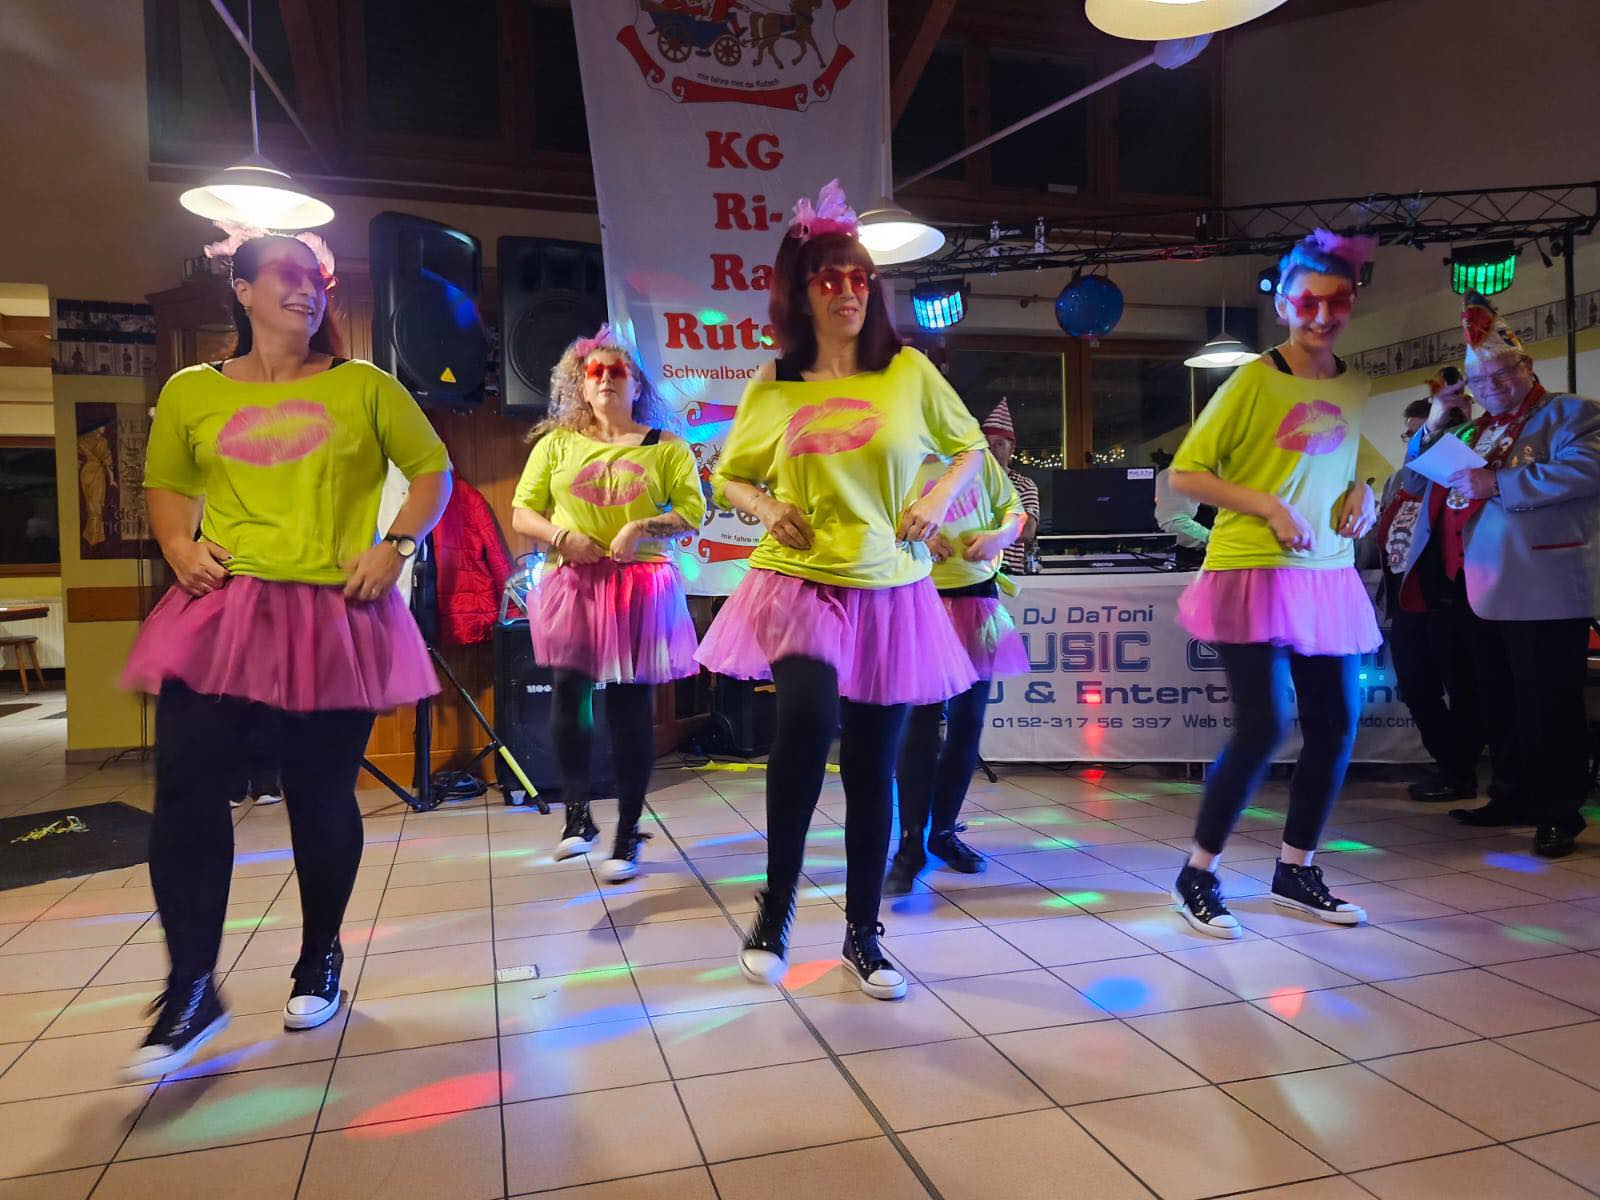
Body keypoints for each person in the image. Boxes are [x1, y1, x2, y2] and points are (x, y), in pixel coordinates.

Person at [120, 230, 452, 1078]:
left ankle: (319, 956)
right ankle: (191, 985)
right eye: (288, 276)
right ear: (242, 290)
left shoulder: (363, 385)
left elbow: (432, 470)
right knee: (186, 789)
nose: (307, 290)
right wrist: (177, 545)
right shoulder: (193, 390)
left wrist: (396, 545)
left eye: (316, 280)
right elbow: (165, 485)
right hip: (222, 611)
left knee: (319, 792)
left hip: (334, 614)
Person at [696, 180, 987, 1000]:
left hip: (890, 589)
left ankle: (864, 932)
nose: (850, 290)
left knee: (871, 761)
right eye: (831, 277)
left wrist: (938, 499)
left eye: (861, 276)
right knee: (805, 720)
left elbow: (969, 449)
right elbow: (728, 473)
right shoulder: (778, 381)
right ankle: (776, 906)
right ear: (802, 289)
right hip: (799, 582)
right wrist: (766, 507)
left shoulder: (908, 372)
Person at [1166, 229, 1381, 938]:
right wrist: (1268, 506)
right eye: (1307, 303)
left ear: (1352, 302)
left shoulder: (1356, 383)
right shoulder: (1252, 380)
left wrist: (1366, 494)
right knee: (1264, 726)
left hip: (1328, 576)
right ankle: (1198, 873)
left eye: (1336, 302)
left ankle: (1296, 869)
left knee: (1336, 726)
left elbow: (1357, 466)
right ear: (1285, 304)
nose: (1321, 316)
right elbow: (1187, 473)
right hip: (1252, 571)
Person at [1387, 291, 1600, 857]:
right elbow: (1415, 480)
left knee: (1548, 703)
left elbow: (1588, 471)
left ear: (1526, 366)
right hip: (1475, 586)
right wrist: (1438, 418)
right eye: (1481, 381)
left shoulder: (1573, 414)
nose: (1492, 386)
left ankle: (1559, 812)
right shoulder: (1473, 430)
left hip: (1543, 584)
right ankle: (1511, 795)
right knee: (1496, 700)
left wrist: (1498, 483)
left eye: (1503, 373)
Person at [511, 327, 704, 881]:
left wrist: (639, 527)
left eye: (617, 371)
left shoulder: (666, 447)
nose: (605, 380)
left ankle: (627, 831)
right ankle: (578, 816)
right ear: (580, 384)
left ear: (637, 384)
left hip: (641, 586)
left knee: (628, 707)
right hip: (574, 581)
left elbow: (692, 514)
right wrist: (561, 537)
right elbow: (522, 512)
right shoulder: (557, 445)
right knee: (569, 694)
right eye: (593, 372)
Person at [886, 450, 1029, 894]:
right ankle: (910, 842)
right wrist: (913, 535)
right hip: (920, 599)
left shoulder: (978, 460)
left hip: (977, 599)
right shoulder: (900, 452)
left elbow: (1015, 513)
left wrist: (1000, 536)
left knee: (968, 723)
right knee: (921, 724)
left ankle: (943, 832)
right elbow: (873, 518)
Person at [1371, 377, 1483, 804]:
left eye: (1430, 432)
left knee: (1464, 689)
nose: (1421, 443)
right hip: (1407, 597)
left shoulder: (1466, 471)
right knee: (1416, 687)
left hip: (1453, 594)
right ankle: (1450, 763)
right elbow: (1383, 530)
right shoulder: (1399, 478)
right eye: (1414, 435)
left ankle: (1460, 771)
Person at [980, 399, 1040, 575]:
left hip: (1010, 575)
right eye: (986, 444)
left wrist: (985, 533)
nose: (991, 450)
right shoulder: (967, 483)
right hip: (972, 576)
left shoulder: (1023, 485)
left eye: (999, 444)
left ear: (1011, 448)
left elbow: (1027, 531)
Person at [1153, 446, 1210, 568]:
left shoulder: (1164, 475)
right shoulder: (1182, 476)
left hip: (1174, 532)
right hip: (1183, 538)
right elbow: (1173, 522)